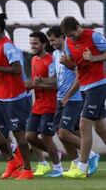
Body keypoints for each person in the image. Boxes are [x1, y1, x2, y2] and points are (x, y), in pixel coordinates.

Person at [0, 13, 33, 180]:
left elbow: (17, 70)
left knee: (20, 135)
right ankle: (12, 162)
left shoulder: (8, 46)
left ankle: (27, 169)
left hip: (15, 97)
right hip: (1, 95)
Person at [60, 16, 106, 178]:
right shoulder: (68, 43)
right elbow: (75, 66)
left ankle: (82, 167)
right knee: (100, 128)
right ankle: (83, 166)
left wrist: (94, 58)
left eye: (72, 35)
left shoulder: (94, 36)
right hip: (84, 88)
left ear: (78, 27)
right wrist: (68, 64)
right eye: (68, 36)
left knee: (84, 124)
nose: (71, 38)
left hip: (98, 85)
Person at [25, 32, 62, 177]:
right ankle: (55, 153)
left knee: (47, 138)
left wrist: (38, 84)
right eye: (31, 44)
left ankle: (57, 167)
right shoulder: (33, 59)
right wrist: (30, 86)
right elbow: (36, 83)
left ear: (44, 44)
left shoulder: (51, 60)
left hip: (50, 105)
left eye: (35, 43)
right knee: (30, 136)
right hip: (38, 105)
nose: (32, 46)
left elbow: (55, 84)